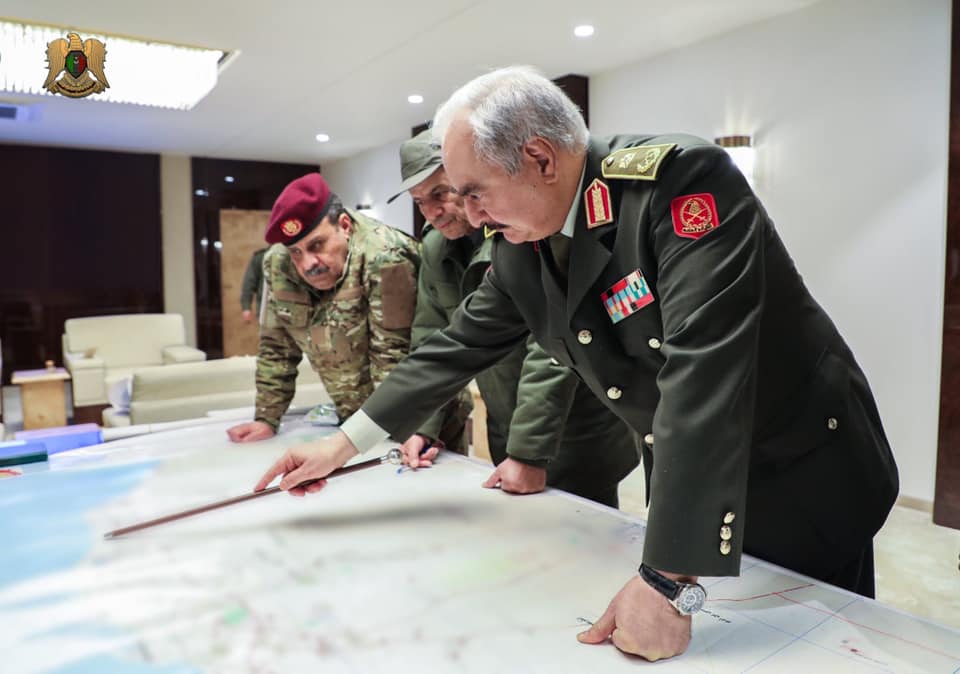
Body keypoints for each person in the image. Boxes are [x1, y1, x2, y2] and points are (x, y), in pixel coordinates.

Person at [253, 67, 899, 662]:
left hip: (802, 467)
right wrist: (342, 445)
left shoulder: (680, 185)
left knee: (819, 647)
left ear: (540, 159)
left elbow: (702, 373)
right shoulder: (520, 243)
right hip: (692, 475)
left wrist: (666, 579)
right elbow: (453, 348)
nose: (470, 216)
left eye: (475, 193)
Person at [388, 130, 637, 505]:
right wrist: (423, 425)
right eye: (419, 202)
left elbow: (551, 348)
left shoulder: (527, 228)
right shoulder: (436, 248)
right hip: (506, 421)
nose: (431, 212)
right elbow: (432, 337)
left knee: (586, 527)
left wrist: (528, 451)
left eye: (440, 193)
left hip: (576, 426)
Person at [227, 173, 421, 443]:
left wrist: (399, 432)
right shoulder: (278, 264)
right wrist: (266, 418)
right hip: (355, 422)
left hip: (416, 420)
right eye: (296, 252)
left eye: (317, 245)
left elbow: (393, 359)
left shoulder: (385, 258)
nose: (308, 264)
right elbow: (276, 348)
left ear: (344, 226)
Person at [240, 246, 269, 324]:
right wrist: (246, 306)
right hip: (266, 310)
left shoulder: (292, 253)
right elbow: (249, 282)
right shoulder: (261, 256)